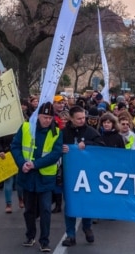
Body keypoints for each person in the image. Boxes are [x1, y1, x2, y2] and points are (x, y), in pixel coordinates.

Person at [11, 102, 62, 252]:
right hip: (27, 177)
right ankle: (30, 235)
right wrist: (22, 163)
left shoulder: (56, 133)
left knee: (45, 210)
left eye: (50, 117)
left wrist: (35, 164)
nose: (47, 120)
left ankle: (44, 241)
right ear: (38, 116)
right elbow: (15, 146)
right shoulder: (26, 127)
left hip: (45, 178)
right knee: (28, 210)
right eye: (44, 117)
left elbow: (55, 154)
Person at [60, 105, 103, 246]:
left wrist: (88, 144)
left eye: (83, 118)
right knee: (70, 204)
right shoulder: (63, 133)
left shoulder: (91, 132)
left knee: (86, 201)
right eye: (78, 118)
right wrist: (61, 149)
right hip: (70, 175)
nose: (82, 120)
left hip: (87, 175)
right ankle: (70, 235)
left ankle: (87, 227)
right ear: (71, 118)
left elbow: (102, 147)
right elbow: (54, 149)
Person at [0, 134, 24, 213]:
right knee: (8, 181)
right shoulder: (4, 129)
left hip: (19, 157)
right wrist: (0, 151)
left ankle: (21, 199)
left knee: (19, 182)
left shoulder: (21, 127)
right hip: (7, 157)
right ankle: (8, 204)